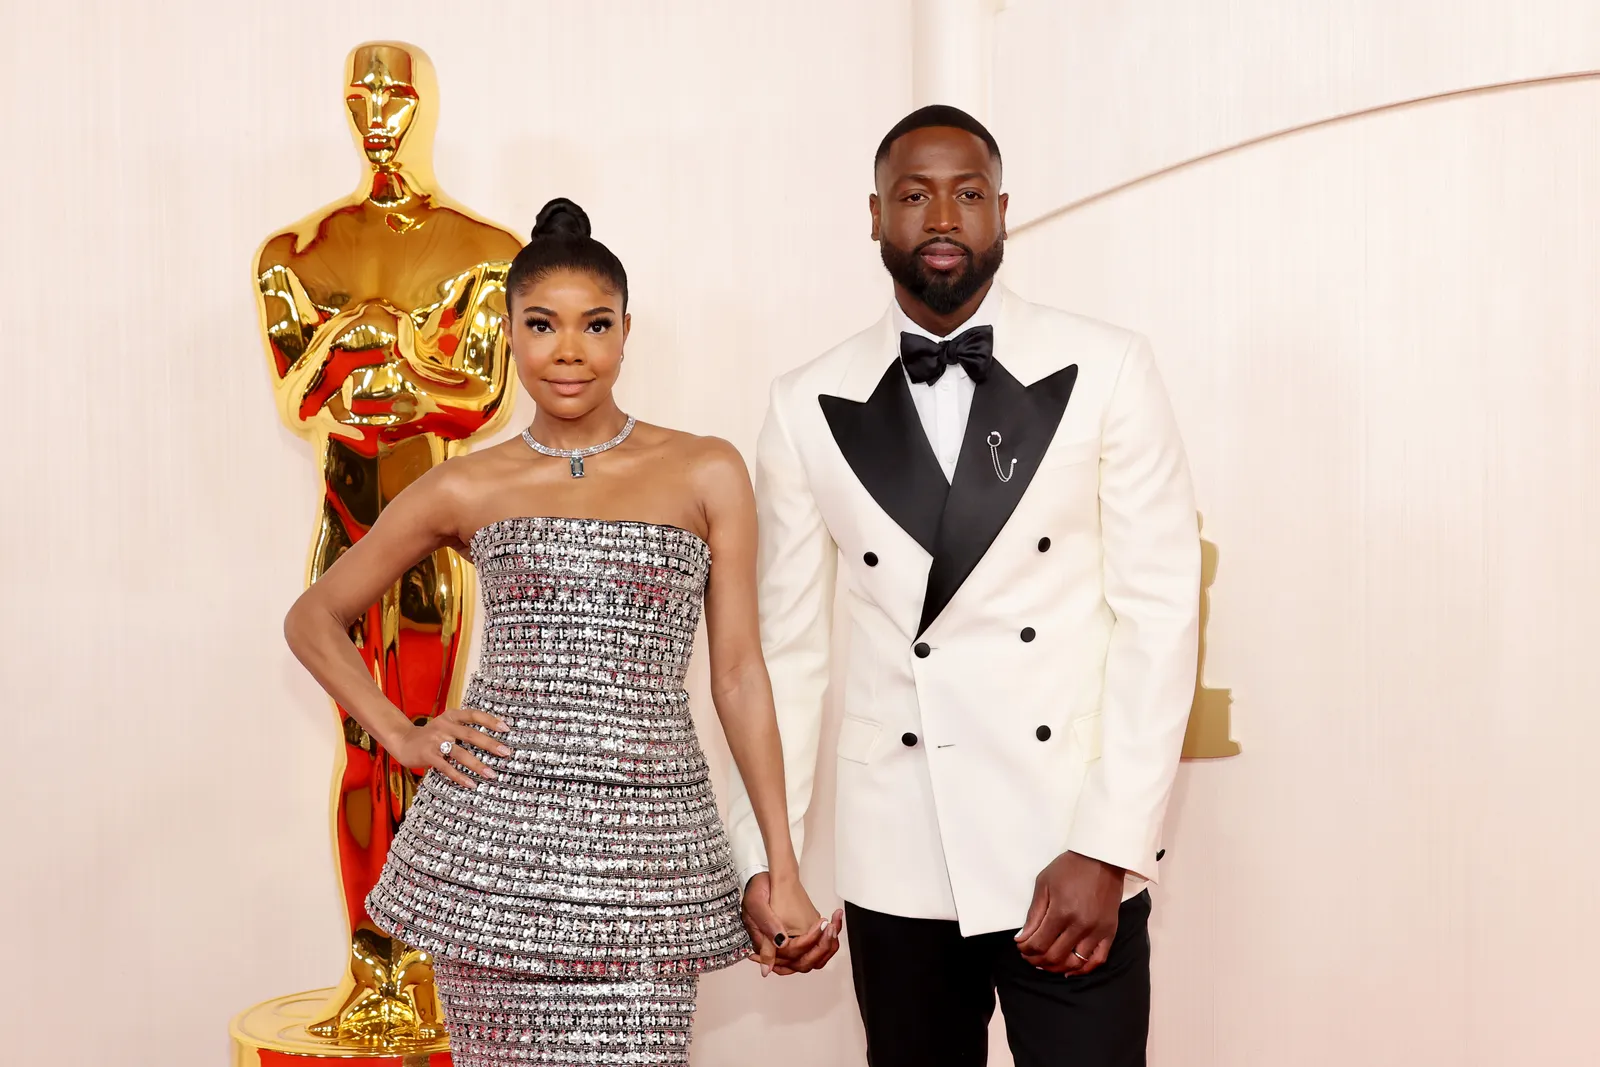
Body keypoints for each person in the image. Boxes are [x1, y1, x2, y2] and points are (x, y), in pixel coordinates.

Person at [283, 197, 843, 1067]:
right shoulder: (468, 484)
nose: (570, 350)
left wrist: (783, 861)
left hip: (646, 853)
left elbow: (737, 675)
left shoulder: (705, 468)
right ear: (508, 333)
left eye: (595, 325)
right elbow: (314, 617)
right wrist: (401, 731)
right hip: (493, 851)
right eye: (542, 325)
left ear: (627, 334)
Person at [729, 105, 1201, 1066]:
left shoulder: (1108, 367)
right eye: (913, 194)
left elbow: (1159, 616)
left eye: (968, 193)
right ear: (873, 215)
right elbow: (787, 654)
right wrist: (766, 860)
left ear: (1003, 213)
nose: (942, 216)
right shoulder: (803, 402)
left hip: (1066, 848)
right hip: (898, 849)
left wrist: (1110, 846)